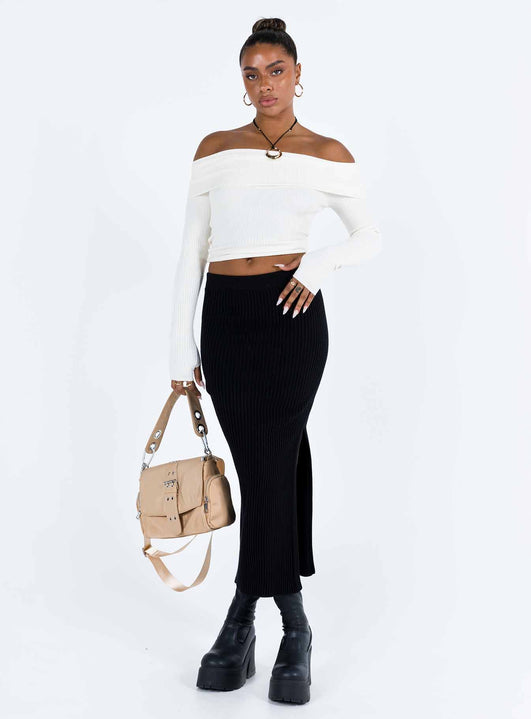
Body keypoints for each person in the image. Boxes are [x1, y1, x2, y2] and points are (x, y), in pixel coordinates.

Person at [168, 17, 382, 704]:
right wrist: (179, 345)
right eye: (252, 74)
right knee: (265, 466)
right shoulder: (215, 150)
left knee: (272, 462)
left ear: (297, 74)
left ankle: (250, 620)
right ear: (243, 82)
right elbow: (191, 250)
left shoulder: (326, 152)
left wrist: (317, 265)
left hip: (291, 318)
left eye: (276, 70)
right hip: (226, 322)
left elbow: (368, 236)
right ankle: (290, 623)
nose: (264, 84)